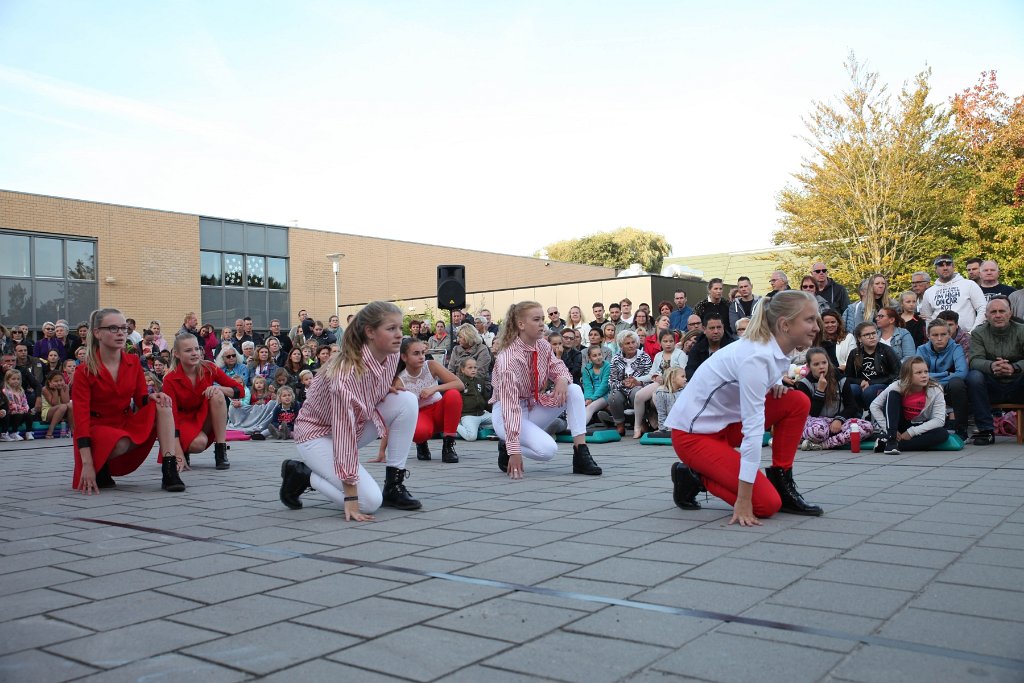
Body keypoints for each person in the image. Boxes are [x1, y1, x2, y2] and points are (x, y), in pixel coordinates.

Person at [666, 290, 824, 521]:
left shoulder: (776, 347)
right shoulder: (756, 358)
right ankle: (692, 475)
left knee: (796, 401)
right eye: (810, 320)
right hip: (693, 436)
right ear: (785, 325)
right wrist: (743, 499)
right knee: (765, 506)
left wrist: (776, 382)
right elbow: (752, 432)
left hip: (725, 425)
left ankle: (782, 481)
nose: (817, 327)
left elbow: (766, 371)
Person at [282, 301, 422, 518]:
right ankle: (302, 474)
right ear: (370, 332)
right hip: (316, 435)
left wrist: (387, 386)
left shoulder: (392, 354)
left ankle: (394, 485)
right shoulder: (345, 375)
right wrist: (351, 498)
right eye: (391, 328)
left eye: (400, 328)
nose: (399, 335)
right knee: (369, 503)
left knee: (407, 401)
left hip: (355, 423)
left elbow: (379, 383)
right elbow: (343, 434)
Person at [72, 308, 182, 494]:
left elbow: (141, 399)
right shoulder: (84, 371)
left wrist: (153, 397)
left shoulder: (132, 361)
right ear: (97, 333)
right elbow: (80, 420)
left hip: (124, 422)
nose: (121, 332)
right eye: (113, 328)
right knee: (121, 441)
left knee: (163, 404)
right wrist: (87, 464)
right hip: (95, 429)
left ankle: (169, 469)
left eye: (124, 328)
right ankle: (100, 467)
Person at [489, 301, 602, 479]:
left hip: (533, 405)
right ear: (521, 324)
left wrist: (562, 380)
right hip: (506, 414)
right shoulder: (508, 360)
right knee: (547, 451)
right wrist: (514, 451)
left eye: (543, 319)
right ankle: (507, 444)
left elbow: (559, 368)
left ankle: (581, 451)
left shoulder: (542, 345)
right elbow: (510, 409)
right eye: (536, 319)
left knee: (573, 390)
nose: (542, 323)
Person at [162, 332, 244, 470]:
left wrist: (219, 389)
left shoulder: (209, 368)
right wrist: (177, 453)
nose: (195, 353)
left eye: (197, 349)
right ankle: (183, 447)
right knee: (199, 443)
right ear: (176, 354)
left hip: (204, 416)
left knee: (217, 394)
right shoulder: (170, 379)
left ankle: (220, 451)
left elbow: (239, 391)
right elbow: (172, 416)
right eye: (188, 350)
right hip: (182, 421)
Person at [965, 296, 1024, 445]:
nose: (998, 315)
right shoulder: (978, 333)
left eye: (1002, 311)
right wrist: (992, 366)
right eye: (993, 312)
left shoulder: (1022, 330)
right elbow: (974, 360)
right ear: (986, 316)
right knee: (974, 376)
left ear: (1010, 313)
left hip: (1018, 384)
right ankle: (986, 431)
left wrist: (1014, 367)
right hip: (992, 386)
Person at [397, 337, 464, 463]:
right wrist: (382, 451)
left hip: (439, 409)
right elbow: (395, 413)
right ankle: (421, 443)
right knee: (418, 433)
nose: (422, 357)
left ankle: (448, 446)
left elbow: (459, 384)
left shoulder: (431, 365)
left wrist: (434, 388)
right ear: (404, 357)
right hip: (421, 414)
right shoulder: (400, 380)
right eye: (416, 353)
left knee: (453, 394)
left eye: (423, 352)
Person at [794, 347, 872, 450]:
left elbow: (851, 406)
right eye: (816, 364)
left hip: (838, 421)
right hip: (816, 422)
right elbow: (812, 413)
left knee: (867, 427)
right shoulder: (805, 384)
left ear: (828, 363)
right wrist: (820, 391)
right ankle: (802, 438)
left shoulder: (841, 380)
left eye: (824, 363)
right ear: (809, 366)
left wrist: (839, 419)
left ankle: (821, 445)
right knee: (818, 432)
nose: (821, 367)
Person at [870, 356, 949, 454]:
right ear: (908, 375)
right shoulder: (897, 386)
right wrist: (888, 430)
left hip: (919, 427)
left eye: (926, 372)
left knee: (942, 434)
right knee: (892, 395)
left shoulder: (936, 389)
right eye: (919, 373)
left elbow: (939, 420)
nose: (924, 375)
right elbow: (874, 406)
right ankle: (891, 438)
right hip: (897, 425)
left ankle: (891, 444)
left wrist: (911, 432)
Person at [917, 319, 969, 440]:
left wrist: (933, 378)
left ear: (949, 335)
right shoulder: (921, 350)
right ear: (928, 336)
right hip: (928, 384)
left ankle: (961, 428)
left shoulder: (956, 348)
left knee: (958, 383)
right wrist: (945, 374)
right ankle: (921, 425)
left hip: (949, 387)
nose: (939, 338)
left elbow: (962, 373)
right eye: (935, 335)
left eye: (943, 334)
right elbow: (918, 374)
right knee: (917, 383)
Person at [632, 329, 685, 438]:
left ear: (675, 342)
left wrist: (665, 378)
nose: (668, 344)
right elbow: (651, 374)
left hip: (674, 385)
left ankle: (667, 426)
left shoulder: (680, 354)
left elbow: (682, 372)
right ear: (660, 342)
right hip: (660, 383)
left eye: (671, 341)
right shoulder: (658, 355)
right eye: (665, 341)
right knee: (639, 395)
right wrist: (637, 379)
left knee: (657, 395)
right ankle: (637, 426)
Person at [919, 254, 988, 331]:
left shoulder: (969, 285)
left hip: (967, 337)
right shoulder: (929, 292)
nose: (945, 268)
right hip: (939, 338)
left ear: (953, 266)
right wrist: (931, 335)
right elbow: (927, 318)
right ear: (936, 269)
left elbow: (983, 308)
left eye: (948, 264)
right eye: (941, 265)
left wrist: (973, 332)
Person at [845, 322, 901, 410]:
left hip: (883, 384)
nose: (872, 337)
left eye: (874, 333)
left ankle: (873, 415)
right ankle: (855, 414)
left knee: (869, 391)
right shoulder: (854, 353)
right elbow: (847, 377)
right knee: (851, 389)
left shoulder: (886, 351)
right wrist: (860, 382)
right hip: (862, 385)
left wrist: (870, 383)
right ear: (859, 338)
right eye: (867, 335)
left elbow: (897, 374)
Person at [607, 329, 652, 436]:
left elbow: (651, 379)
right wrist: (622, 383)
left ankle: (641, 422)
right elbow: (611, 382)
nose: (631, 345)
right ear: (621, 346)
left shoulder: (644, 357)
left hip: (639, 387)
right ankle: (620, 424)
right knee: (613, 396)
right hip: (621, 388)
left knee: (636, 393)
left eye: (633, 342)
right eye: (627, 343)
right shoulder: (616, 359)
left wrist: (638, 383)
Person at [685, 314, 735, 380]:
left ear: (723, 327)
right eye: (712, 328)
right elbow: (690, 371)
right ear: (704, 329)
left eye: (719, 327)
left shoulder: (732, 347)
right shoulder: (697, 348)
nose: (716, 331)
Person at [455, 357, 492, 441]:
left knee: (503, 420)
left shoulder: (480, 382)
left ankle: (478, 426)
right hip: (468, 416)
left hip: (482, 414)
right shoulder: (458, 383)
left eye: (475, 367)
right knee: (471, 437)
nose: (473, 370)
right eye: (470, 367)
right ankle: (454, 425)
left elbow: (486, 400)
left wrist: (494, 411)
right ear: (462, 370)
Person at [447, 324, 492, 389]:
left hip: (478, 385)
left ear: (468, 337)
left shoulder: (482, 349)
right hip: (457, 385)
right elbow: (450, 371)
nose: (458, 340)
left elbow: (480, 373)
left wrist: (460, 384)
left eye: (460, 337)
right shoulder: (456, 349)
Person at [650, 367, 686, 439]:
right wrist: (662, 430)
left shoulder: (686, 391)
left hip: (684, 425)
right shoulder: (661, 393)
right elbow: (661, 413)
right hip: (671, 427)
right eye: (683, 376)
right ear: (673, 378)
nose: (685, 379)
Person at [582, 344, 611, 425]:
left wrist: (592, 399)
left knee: (590, 407)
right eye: (594, 356)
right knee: (581, 406)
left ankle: (580, 428)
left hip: (605, 395)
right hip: (592, 396)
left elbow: (604, 386)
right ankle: (569, 427)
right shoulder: (587, 369)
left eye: (599, 354)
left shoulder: (607, 366)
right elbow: (587, 386)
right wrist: (588, 398)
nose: (598, 357)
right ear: (589, 358)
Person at [2, 369, 34, 440]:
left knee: (29, 415)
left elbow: (25, 403)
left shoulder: (21, 391)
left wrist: (24, 410)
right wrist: (18, 410)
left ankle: (28, 432)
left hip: (20, 412)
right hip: (11, 413)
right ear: (7, 380)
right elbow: (8, 404)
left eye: (18, 379)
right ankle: (14, 432)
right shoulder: (5, 391)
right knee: (18, 415)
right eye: (13, 379)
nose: (16, 381)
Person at [41, 370, 73, 439]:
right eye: (56, 381)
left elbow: (66, 402)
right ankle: (50, 430)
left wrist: (61, 389)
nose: (59, 383)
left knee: (70, 405)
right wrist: (55, 390)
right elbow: (54, 404)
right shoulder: (45, 389)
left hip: (62, 410)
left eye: (61, 380)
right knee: (63, 407)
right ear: (50, 382)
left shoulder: (66, 387)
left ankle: (72, 429)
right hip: (48, 412)